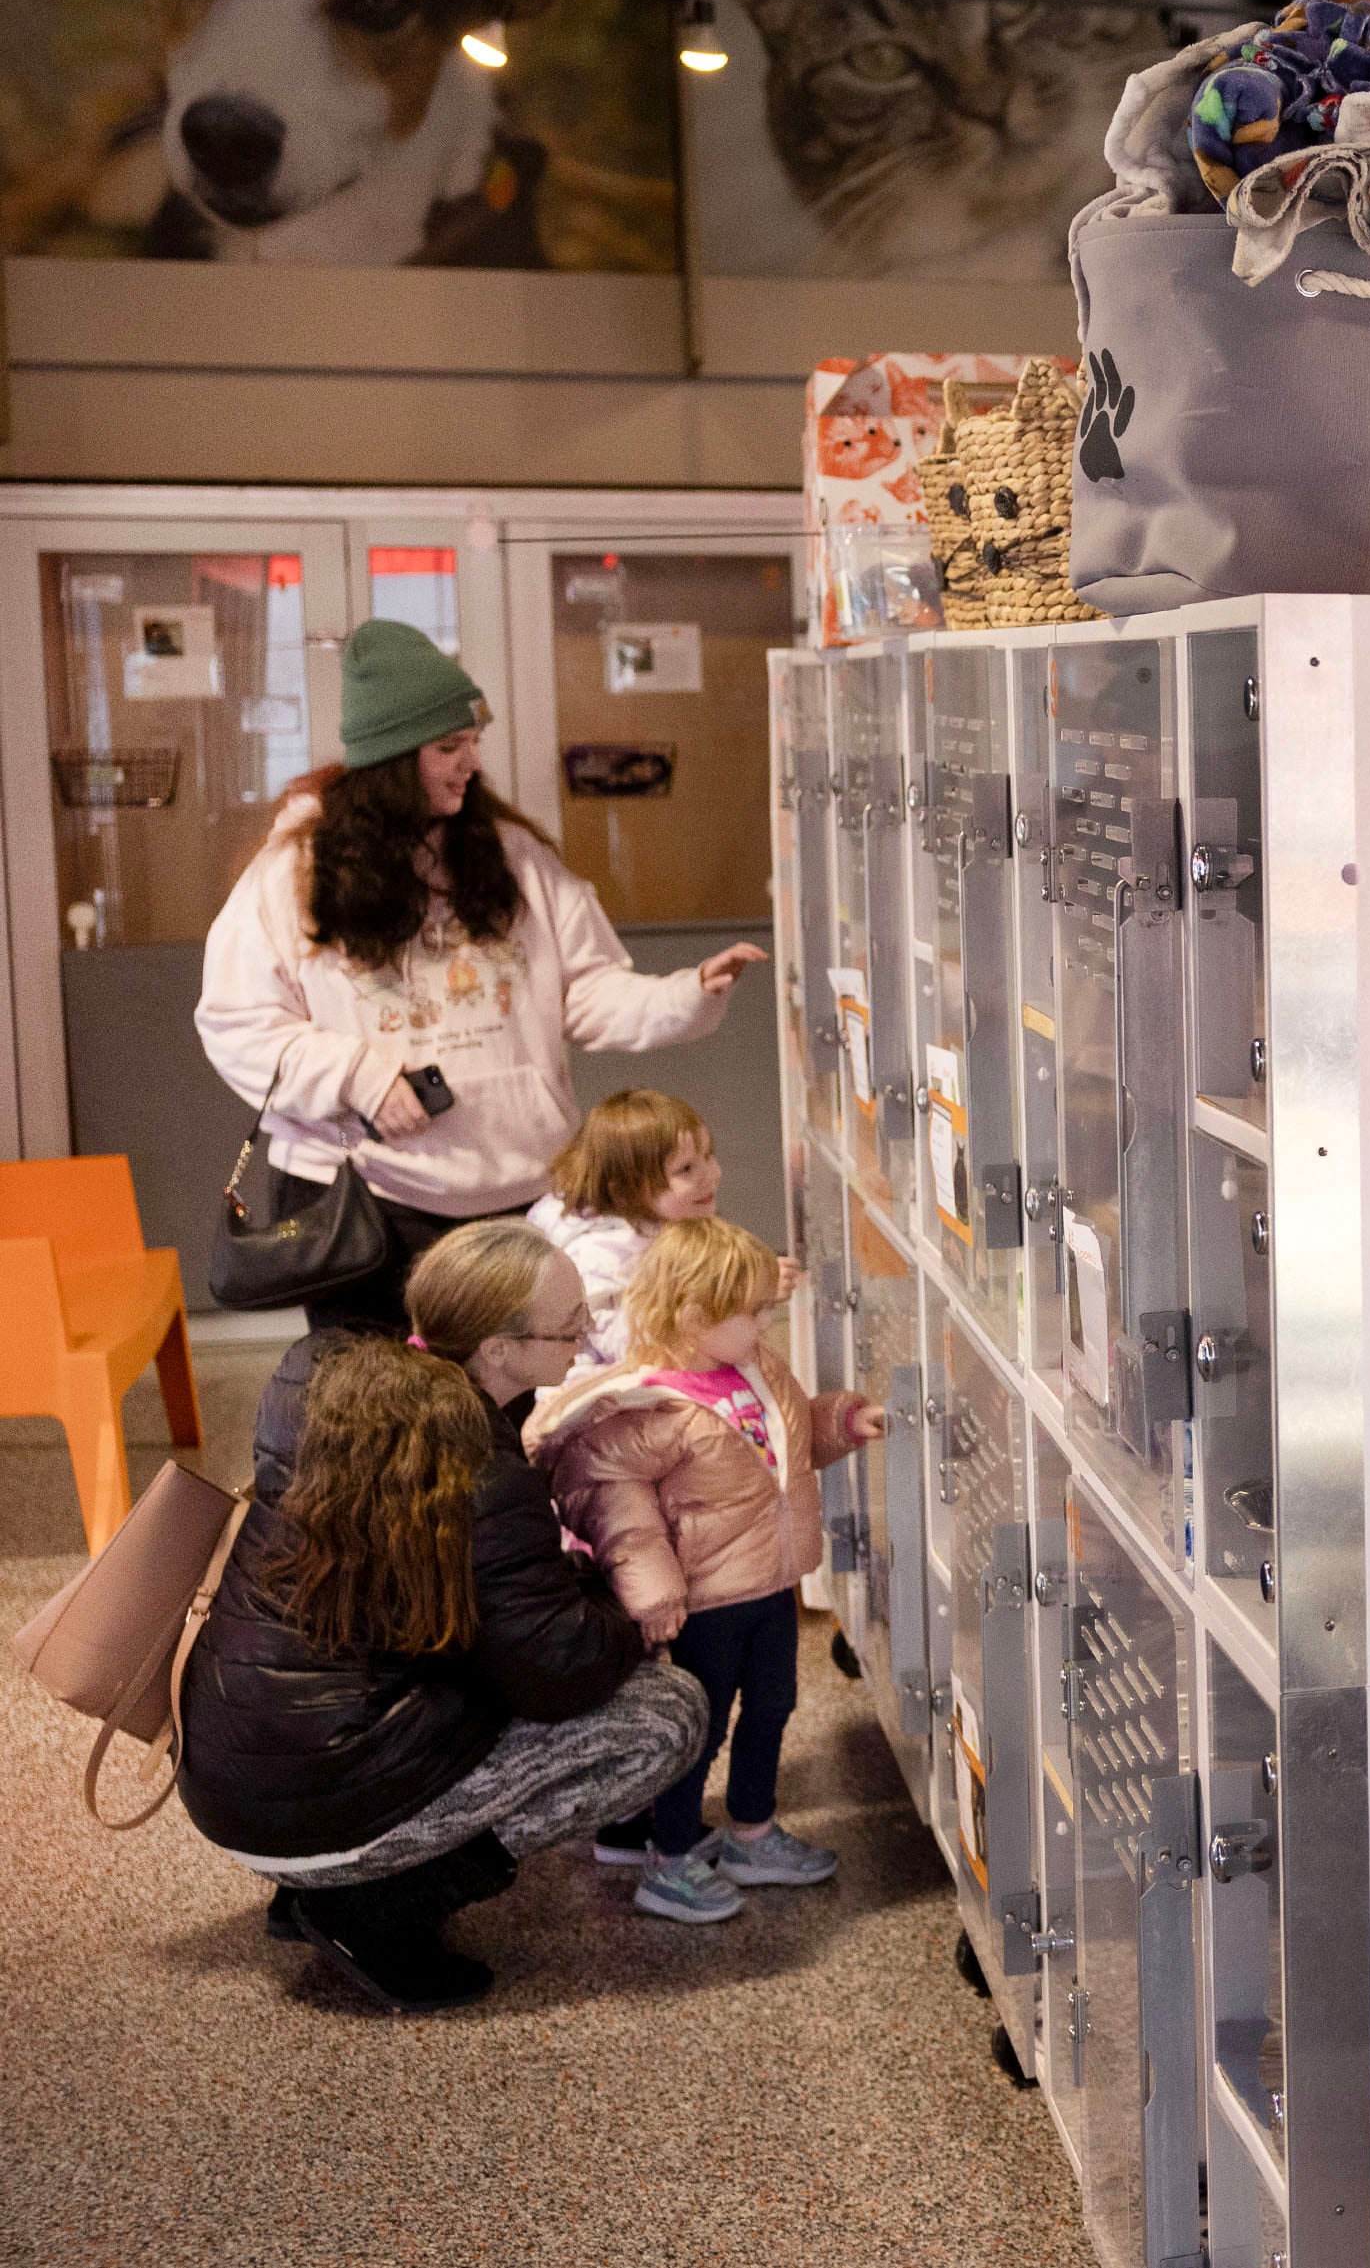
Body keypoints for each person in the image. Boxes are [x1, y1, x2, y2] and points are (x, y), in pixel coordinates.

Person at [182, 1221, 708, 2014]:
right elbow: (558, 1671)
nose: (584, 1338)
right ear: (497, 1351)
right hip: (321, 1790)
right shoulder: (476, 1467)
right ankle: (376, 1904)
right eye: (569, 1327)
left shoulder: (314, 1374)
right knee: (666, 1714)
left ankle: (317, 1884)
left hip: (226, 1770)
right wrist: (628, 1603)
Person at [196, 618, 768, 1333]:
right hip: (364, 1205)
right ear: (392, 758)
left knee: (516, 1412)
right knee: (383, 1418)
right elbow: (234, 1022)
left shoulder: (514, 857)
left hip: (519, 1197)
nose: (471, 761)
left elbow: (585, 991)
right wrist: (357, 1075)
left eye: (473, 743)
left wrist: (686, 993)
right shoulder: (295, 872)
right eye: (448, 746)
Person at [527, 1217, 880, 1924]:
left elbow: (790, 1438)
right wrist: (654, 1592)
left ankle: (750, 1832)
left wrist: (839, 1422)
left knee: (773, 1708)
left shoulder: (756, 1368)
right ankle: (671, 1858)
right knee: (701, 1728)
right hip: (706, 1602)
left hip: (770, 1584)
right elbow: (617, 1509)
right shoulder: (648, 1406)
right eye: (749, 1311)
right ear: (694, 1315)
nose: (763, 1322)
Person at [527, 1088, 800, 1371]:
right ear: (625, 1189)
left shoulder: (674, 1222)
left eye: (708, 1155)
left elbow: (701, 1283)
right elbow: (631, 1346)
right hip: (608, 1400)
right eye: (685, 1170)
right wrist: (740, 1302)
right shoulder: (598, 1256)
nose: (711, 1174)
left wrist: (750, 1285)